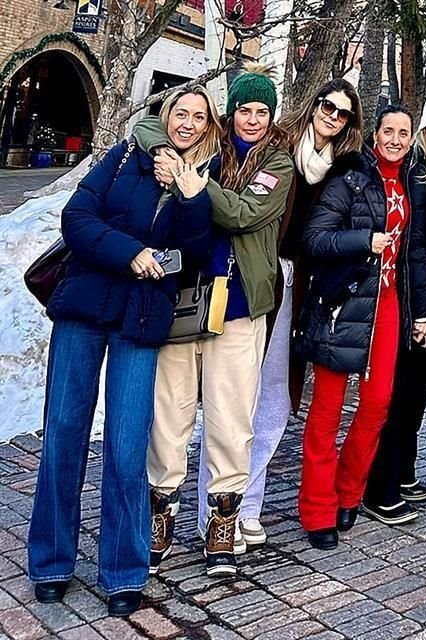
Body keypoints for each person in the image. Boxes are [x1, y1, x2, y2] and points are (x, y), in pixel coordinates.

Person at [28, 85, 219, 615]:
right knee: (64, 431)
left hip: (140, 320)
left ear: (206, 127)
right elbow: (77, 219)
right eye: (181, 112)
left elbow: (196, 255)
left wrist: (188, 196)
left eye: (199, 117)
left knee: (128, 444)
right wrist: (131, 252)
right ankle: (51, 561)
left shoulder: (198, 178)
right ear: (165, 114)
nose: (188, 123)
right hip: (84, 309)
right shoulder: (123, 156)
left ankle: (123, 571)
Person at [195, 78, 364, 547]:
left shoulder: (345, 167)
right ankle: (215, 503)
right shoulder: (278, 144)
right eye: (327, 105)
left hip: (301, 285)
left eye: (343, 112)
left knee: (275, 394)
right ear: (313, 105)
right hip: (253, 278)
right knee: (232, 391)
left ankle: (246, 502)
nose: (332, 115)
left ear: (351, 122)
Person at [142, 66, 295, 577]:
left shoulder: (277, 161)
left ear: (271, 116)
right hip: (185, 300)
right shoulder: (205, 143)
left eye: (262, 111)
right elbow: (144, 128)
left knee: (232, 419)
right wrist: (172, 158)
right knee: (171, 415)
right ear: (231, 111)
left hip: (239, 307)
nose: (253, 119)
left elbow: (244, 215)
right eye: (245, 109)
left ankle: (222, 525)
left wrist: (192, 186)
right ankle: (160, 516)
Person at [295, 104, 419, 550]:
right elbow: (314, 238)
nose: (396, 139)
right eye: (389, 131)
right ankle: (317, 508)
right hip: (344, 301)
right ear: (376, 134)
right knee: (327, 409)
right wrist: (364, 240)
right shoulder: (350, 177)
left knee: (378, 403)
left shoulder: (411, 181)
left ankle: (350, 491)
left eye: (404, 133)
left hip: (387, 302)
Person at [363, 86, 426, 525]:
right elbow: (418, 246)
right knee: (402, 393)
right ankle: (380, 483)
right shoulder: (422, 173)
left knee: (417, 388)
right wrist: (425, 308)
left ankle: (401, 470)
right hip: (409, 300)